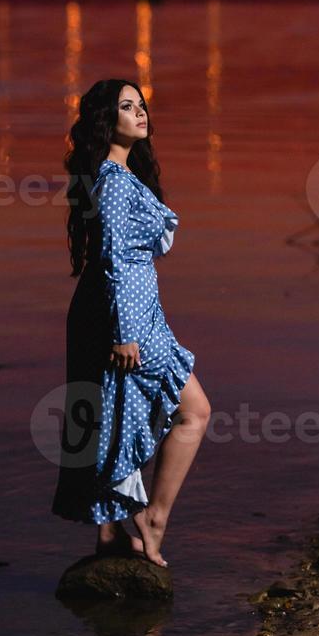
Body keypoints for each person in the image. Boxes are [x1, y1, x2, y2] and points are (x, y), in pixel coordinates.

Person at [51, 78, 211, 567]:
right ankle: (154, 516)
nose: (140, 113)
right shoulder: (114, 180)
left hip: (116, 309)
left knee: (114, 415)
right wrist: (126, 335)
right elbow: (117, 257)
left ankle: (108, 536)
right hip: (125, 314)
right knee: (194, 411)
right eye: (127, 107)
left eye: (141, 105)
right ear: (107, 121)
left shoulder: (114, 174)